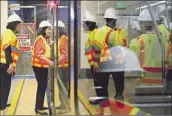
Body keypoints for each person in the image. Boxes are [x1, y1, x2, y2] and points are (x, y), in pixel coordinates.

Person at [92, 8, 127, 114]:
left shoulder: (98, 32)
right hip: (117, 63)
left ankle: (104, 108)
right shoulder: (119, 32)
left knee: (102, 85)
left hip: (103, 63)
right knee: (119, 83)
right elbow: (123, 47)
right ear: (114, 20)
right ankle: (118, 99)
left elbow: (96, 48)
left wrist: (95, 62)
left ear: (106, 19)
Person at [130, 7, 169, 79]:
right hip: (162, 81)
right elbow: (169, 61)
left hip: (143, 82)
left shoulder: (137, 41)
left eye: (140, 23)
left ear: (143, 23)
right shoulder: (165, 40)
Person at [0, 13, 23, 113]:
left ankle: (3, 104)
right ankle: (2, 108)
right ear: (14, 24)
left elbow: (12, 51)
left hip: (6, 64)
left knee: (5, 86)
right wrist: (10, 64)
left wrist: (12, 66)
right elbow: (7, 48)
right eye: (19, 24)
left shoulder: (11, 34)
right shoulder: (8, 32)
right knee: (5, 87)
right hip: (5, 64)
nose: (20, 26)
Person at [32, 20, 54, 115]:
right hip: (39, 67)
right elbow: (39, 54)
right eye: (48, 29)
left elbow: (45, 52)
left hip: (42, 67)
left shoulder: (44, 39)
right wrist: (49, 62)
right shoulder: (40, 39)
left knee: (42, 86)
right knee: (41, 87)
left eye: (50, 29)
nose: (50, 31)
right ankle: (38, 108)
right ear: (43, 30)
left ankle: (39, 105)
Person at [82, 11, 98, 104]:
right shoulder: (93, 34)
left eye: (85, 24)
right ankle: (100, 100)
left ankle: (102, 103)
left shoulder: (95, 34)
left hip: (96, 64)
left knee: (99, 83)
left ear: (90, 24)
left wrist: (95, 62)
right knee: (97, 82)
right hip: (94, 64)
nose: (83, 26)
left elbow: (98, 49)